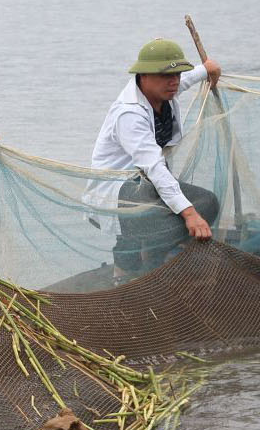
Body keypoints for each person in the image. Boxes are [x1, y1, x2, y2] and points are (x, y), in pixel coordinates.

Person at [88, 38, 223, 276]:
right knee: (162, 216)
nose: (174, 82)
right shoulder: (129, 114)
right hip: (120, 189)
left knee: (209, 203)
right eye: (165, 76)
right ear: (143, 76)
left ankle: (151, 254)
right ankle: (139, 271)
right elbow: (154, 168)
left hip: (146, 185)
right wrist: (189, 215)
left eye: (177, 75)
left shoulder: (162, 92)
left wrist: (206, 70)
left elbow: (183, 81)